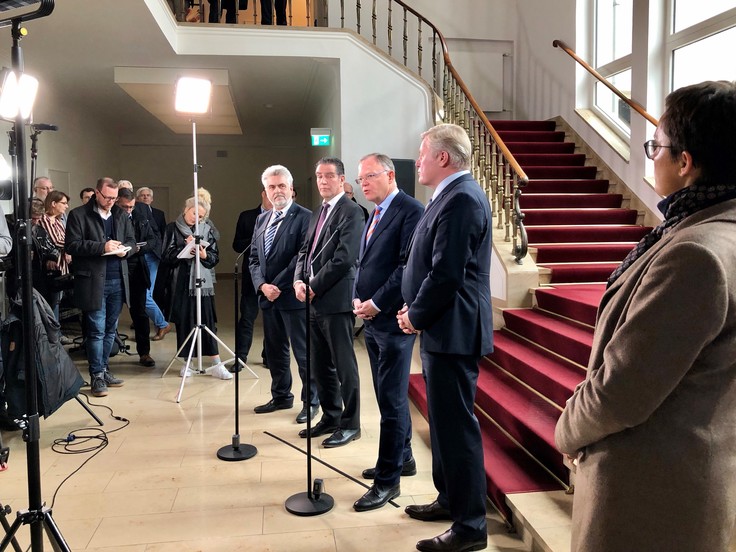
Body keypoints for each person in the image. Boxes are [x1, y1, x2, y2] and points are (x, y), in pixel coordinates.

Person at [555, 81, 736, 552]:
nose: (650, 156)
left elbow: (622, 392)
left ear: (685, 161)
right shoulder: (708, 231)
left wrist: (567, 430)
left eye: (656, 145)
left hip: (653, 492)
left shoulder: (696, 254)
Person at [398, 123, 492, 552]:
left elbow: (448, 272)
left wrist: (415, 314)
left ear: (443, 157)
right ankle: (450, 499)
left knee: (457, 429)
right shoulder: (448, 196)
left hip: (453, 329)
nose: (416, 160)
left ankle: (471, 527)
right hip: (442, 327)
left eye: (422, 152)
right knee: (444, 424)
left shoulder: (463, 198)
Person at [351, 153, 423, 512]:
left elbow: (405, 268)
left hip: (393, 319)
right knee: (384, 396)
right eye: (360, 177)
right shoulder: (374, 213)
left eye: (370, 176)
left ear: (390, 175)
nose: (363, 183)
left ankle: (387, 481)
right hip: (372, 319)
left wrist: (376, 303)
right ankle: (404, 458)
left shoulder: (410, 210)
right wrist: (357, 298)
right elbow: (364, 263)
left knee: (393, 403)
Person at [293, 157, 363, 448]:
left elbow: (343, 259)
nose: (322, 181)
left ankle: (351, 423)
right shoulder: (316, 212)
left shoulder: (352, 211)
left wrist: (313, 285)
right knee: (319, 364)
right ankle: (331, 416)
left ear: (341, 179)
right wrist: (298, 280)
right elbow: (304, 252)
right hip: (311, 299)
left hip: (334, 299)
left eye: (328, 176)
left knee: (344, 366)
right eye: (319, 176)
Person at [249, 165, 317, 422]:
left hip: (293, 297)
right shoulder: (262, 219)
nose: (277, 191)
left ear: (291, 188)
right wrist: (262, 286)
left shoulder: (306, 217)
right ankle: (281, 396)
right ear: (265, 191)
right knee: (275, 351)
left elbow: (302, 257)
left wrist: (277, 285)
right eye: (271, 187)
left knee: (303, 352)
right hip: (268, 297)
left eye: (281, 186)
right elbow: (254, 259)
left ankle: (310, 401)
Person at [65, 177, 135, 397]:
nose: (111, 202)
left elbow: (133, 241)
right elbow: (72, 245)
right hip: (93, 280)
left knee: (110, 330)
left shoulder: (121, 214)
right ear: (97, 193)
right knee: (96, 330)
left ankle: (104, 370)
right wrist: (102, 246)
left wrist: (127, 250)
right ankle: (96, 375)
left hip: (117, 279)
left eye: (114, 198)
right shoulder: (78, 215)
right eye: (107, 197)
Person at [159, 197, 232, 380]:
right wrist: (185, 248)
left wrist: (204, 254)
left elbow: (215, 257)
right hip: (181, 282)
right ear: (186, 209)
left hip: (203, 283)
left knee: (207, 322)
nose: (196, 219)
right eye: (194, 214)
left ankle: (216, 363)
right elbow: (166, 256)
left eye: (200, 216)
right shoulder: (172, 228)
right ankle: (187, 363)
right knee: (186, 322)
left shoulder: (207, 230)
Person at [116, 188, 158, 368]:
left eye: (131, 207)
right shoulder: (111, 219)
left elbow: (153, 240)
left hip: (137, 268)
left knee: (140, 313)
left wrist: (139, 248)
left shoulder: (140, 216)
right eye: (124, 207)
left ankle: (145, 352)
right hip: (116, 268)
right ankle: (106, 353)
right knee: (112, 313)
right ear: (117, 202)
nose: (128, 210)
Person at [233, 190, 272, 365]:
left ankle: (268, 356)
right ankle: (240, 356)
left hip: (274, 278)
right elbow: (237, 244)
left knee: (272, 321)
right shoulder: (247, 216)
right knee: (247, 318)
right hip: (252, 276)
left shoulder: (284, 217)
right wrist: (257, 239)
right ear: (263, 194)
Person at [134, 186, 172, 341]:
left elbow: (160, 235)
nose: (145, 197)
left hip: (151, 256)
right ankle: (159, 324)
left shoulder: (156, 213)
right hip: (138, 257)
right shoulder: (133, 211)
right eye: (141, 195)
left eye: (147, 195)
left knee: (145, 294)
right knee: (142, 295)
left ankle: (162, 323)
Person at [39, 191, 71, 326]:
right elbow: (58, 240)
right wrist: (72, 246)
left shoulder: (57, 221)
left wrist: (69, 247)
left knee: (57, 301)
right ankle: (53, 336)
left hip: (62, 267)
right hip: (51, 269)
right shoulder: (44, 219)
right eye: (63, 203)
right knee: (52, 303)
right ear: (53, 203)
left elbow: (66, 239)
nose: (67, 206)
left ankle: (56, 335)